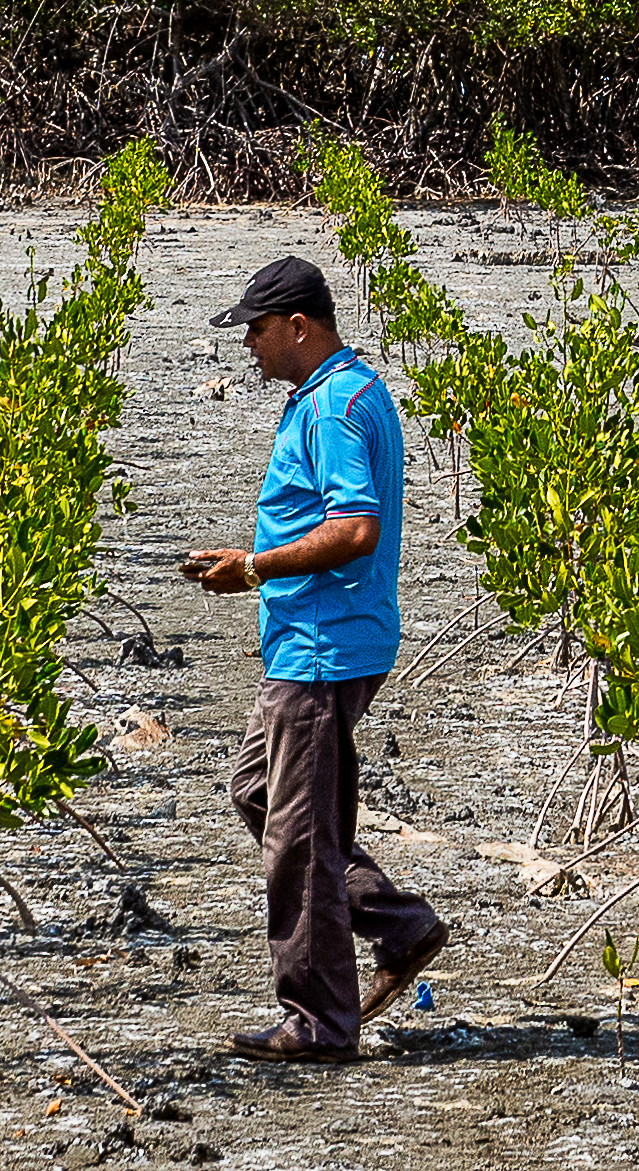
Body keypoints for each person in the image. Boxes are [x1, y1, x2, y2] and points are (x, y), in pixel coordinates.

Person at [179, 255, 448, 1065]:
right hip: (328, 637)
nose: (250, 349)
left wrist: (254, 568)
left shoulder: (332, 407)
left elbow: (354, 529)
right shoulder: (355, 389)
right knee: (261, 791)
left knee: (296, 837)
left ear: (300, 325)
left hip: (323, 649)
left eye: (257, 331)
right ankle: (398, 923)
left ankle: (320, 1022)